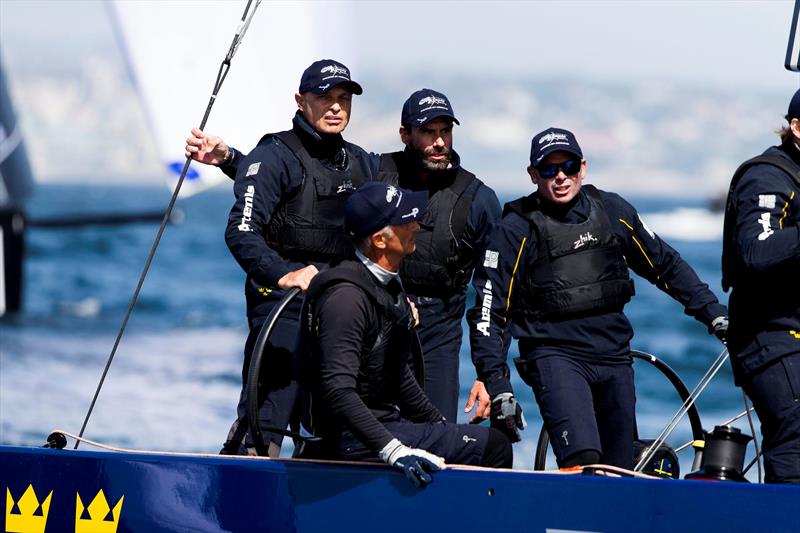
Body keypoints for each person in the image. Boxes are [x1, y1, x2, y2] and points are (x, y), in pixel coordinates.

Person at [187, 89, 501, 423]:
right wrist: (232, 160)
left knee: (435, 434)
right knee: (340, 426)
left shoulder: (479, 199)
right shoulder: (375, 169)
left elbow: (493, 293)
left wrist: (490, 377)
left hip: (437, 333)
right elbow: (306, 187)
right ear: (405, 135)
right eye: (428, 132)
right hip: (376, 317)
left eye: (445, 132)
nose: (438, 142)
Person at [467, 127, 729, 469]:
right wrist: (497, 382)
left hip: (614, 358)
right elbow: (489, 309)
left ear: (583, 168)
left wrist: (715, 315)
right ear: (533, 174)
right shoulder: (516, 229)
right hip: (556, 358)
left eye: (569, 166)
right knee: (584, 461)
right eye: (548, 169)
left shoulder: (611, 210)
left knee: (619, 469)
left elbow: (665, 266)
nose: (560, 177)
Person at [298, 181, 512, 487]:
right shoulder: (346, 299)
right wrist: (393, 451)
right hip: (349, 438)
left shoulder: (386, 285)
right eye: (406, 221)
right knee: (494, 446)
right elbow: (337, 390)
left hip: (380, 423)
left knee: (474, 439)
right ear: (380, 240)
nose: (417, 224)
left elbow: (397, 376)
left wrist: (440, 427)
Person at [220, 59, 376, 457]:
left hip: (338, 311)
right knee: (265, 424)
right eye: (326, 98)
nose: (336, 107)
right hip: (282, 305)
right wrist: (282, 274)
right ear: (301, 101)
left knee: (334, 428)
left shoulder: (362, 163)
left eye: (344, 99)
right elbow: (240, 231)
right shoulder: (274, 154)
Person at [721, 90, 800, 483]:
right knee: (795, 431)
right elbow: (756, 250)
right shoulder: (768, 176)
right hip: (768, 334)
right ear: (797, 128)